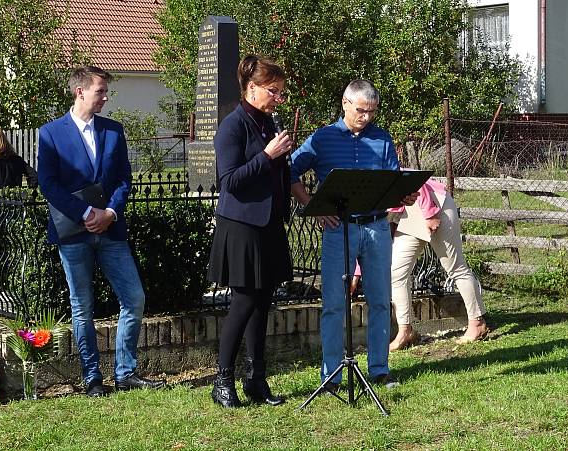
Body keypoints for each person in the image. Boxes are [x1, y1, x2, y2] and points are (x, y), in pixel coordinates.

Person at [37, 65, 165, 397]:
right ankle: (92, 377)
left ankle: (125, 372)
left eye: (106, 92)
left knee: (134, 298)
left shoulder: (113, 131)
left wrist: (109, 212)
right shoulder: (50, 133)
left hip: (110, 231)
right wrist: (84, 212)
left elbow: (124, 178)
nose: (106, 97)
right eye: (100, 91)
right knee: (83, 306)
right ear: (79, 91)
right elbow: (48, 184)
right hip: (74, 233)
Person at [291, 79, 417, 392]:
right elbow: (289, 172)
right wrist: (312, 206)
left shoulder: (382, 138)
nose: (366, 117)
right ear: (345, 104)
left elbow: (391, 181)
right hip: (339, 229)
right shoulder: (323, 138)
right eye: (361, 110)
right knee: (334, 303)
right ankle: (331, 375)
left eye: (372, 111)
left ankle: (379, 369)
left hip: (376, 227)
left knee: (379, 301)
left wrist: (403, 196)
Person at [206, 55, 293, 408]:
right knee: (243, 303)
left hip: (268, 223)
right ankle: (222, 379)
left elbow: (278, 171)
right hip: (241, 226)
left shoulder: (267, 123)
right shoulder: (233, 125)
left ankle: (256, 378)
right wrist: (268, 156)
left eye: (282, 93)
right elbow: (229, 181)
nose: (278, 99)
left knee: (263, 303)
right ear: (252, 88)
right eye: (274, 92)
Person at [389, 176, 488, 350]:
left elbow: (418, 182)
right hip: (409, 214)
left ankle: (477, 324)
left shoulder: (381, 163)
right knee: (396, 273)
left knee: (456, 268)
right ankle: (406, 331)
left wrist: (430, 214)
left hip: (433, 204)